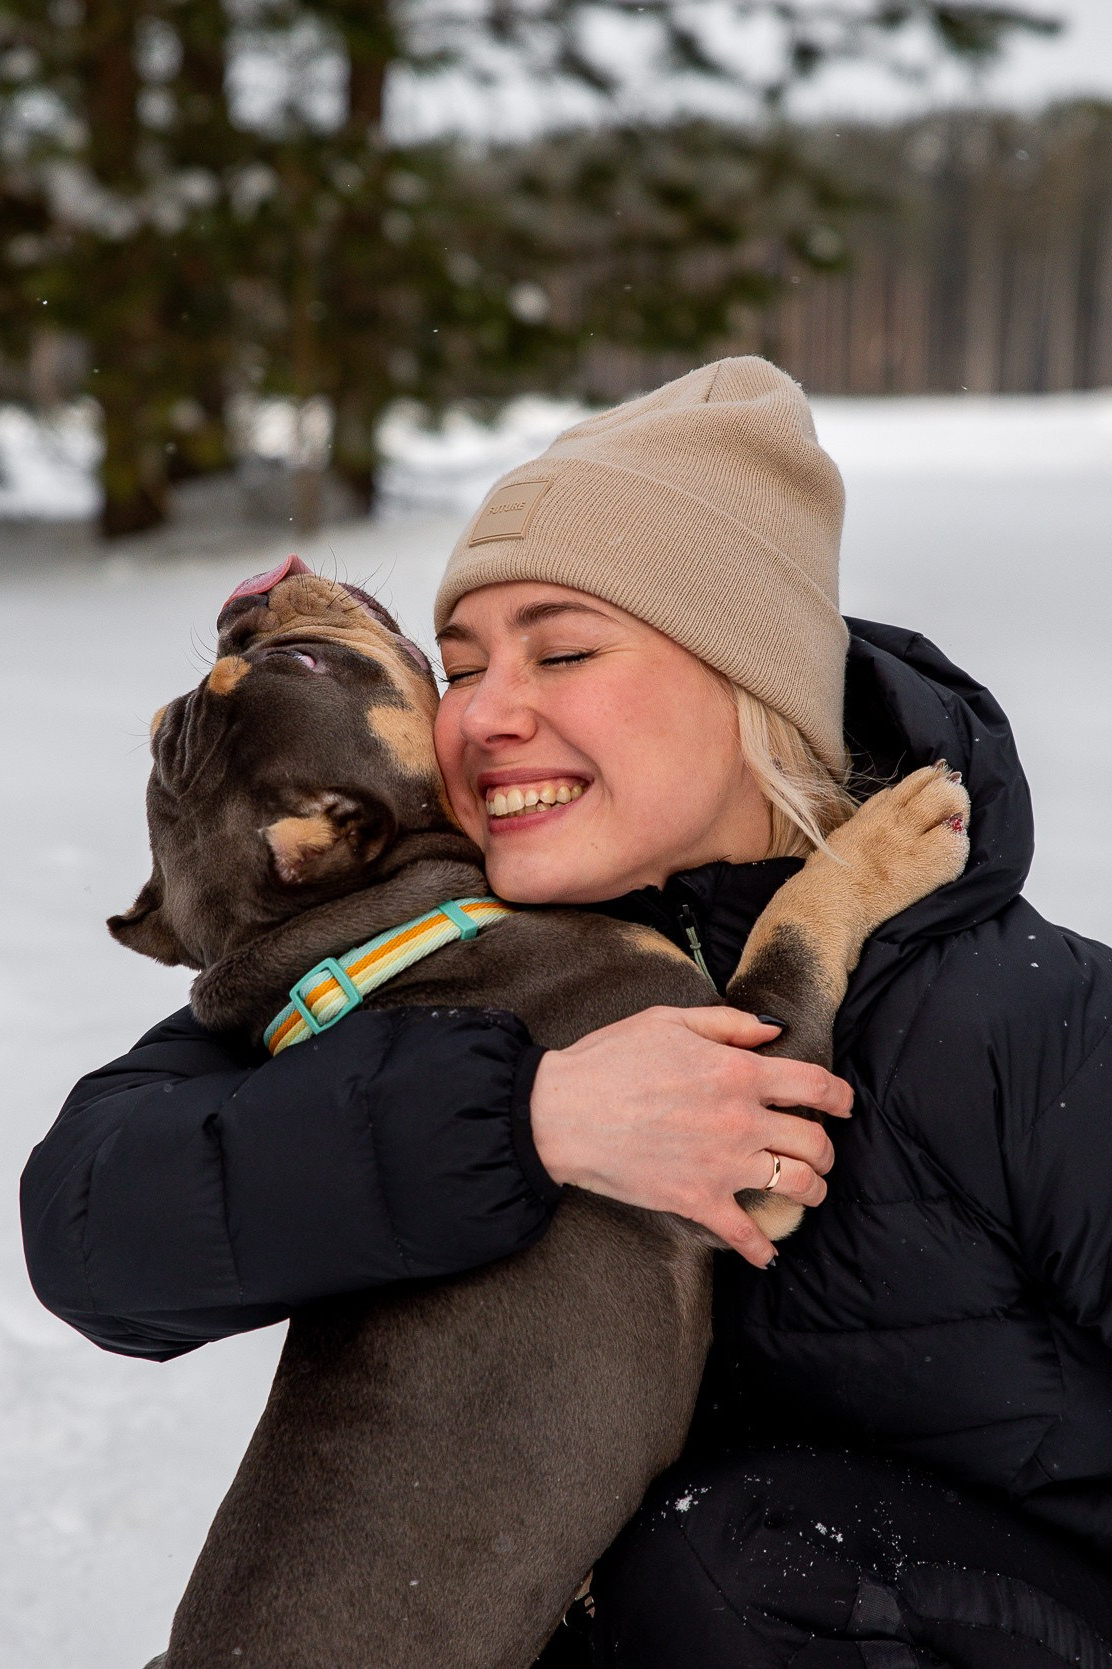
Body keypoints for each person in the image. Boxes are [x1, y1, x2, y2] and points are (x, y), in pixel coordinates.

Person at [21, 360, 1112, 1664]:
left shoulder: (1020, 1024)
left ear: (744, 680)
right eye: (462, 663)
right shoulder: (396, 963)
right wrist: (519, 1116)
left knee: (725, 1557)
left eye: (567, 649)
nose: (489, 713)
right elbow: (92, 1216)